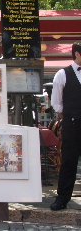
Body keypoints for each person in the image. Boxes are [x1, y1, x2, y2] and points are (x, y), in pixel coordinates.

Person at [50, 42, 81, 211]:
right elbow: (57, 104)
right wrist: (70, 117)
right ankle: (62, 198)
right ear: (76, 54)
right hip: (73, 123)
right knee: (69, 162)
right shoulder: (62, 74)